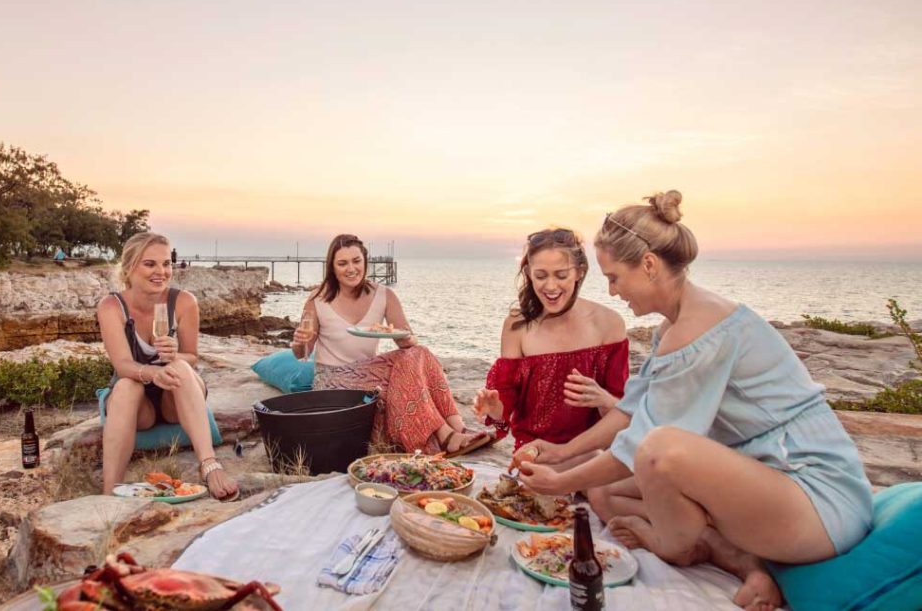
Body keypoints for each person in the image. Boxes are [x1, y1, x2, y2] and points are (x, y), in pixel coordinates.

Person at [511, 191, 872, 611]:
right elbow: (630, 411)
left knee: (661, 449)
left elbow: (642, 445)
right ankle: (734, 557)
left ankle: (677, 545)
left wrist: (561, 482)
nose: (611, 292)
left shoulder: (700, 329)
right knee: (603, 491)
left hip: (818, 502)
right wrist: (564, 453)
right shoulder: (673, 328)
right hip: (762, 480)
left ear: (648, 265)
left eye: (614, 277)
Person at [292, 233, 493, 456]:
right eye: (342, 263)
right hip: (333, 378)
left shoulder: (383, 295)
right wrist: (299, 342)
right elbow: (302, 353)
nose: (351, 269)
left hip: (370, 370)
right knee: (408, 377)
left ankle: (458, 428)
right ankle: (446, 436)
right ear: (332, 267)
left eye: (356, 261)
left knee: (419, 352)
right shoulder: (318, 298)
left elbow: (408, 341)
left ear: (365, 262)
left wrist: (406, 339)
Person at [97, 232, 238, 500]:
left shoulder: (184, 302)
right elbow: (123, 364)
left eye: (166, 263)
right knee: (127, 385)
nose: (161, 272)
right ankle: (109, 493)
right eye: (150, 264)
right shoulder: (111, 307)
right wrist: (153, 373)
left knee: (181, 368)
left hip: (175, 397)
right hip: (140, 405)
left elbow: (192, 357)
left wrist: (177, 356)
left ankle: (209, 465)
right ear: (129, 268)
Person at [472, 227, 629, 450]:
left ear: (580, 272)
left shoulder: (609, 323)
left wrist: (602, 398)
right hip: (534, 452)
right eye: (541, 275)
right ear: (528, 273)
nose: (551, 286)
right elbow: (504, 408)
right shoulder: (517, 325)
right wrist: (494, 408)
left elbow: (623, 412)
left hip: (592, 451)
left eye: (561, 275)